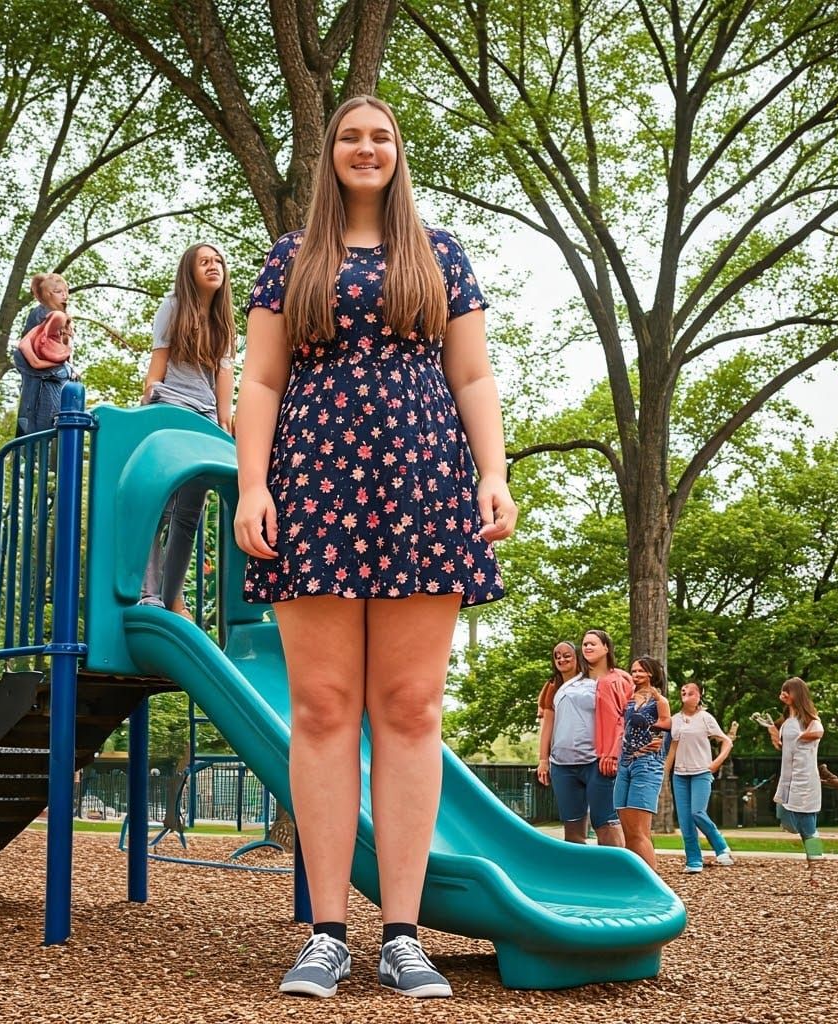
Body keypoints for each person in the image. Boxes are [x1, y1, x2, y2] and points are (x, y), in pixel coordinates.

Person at [233, 95, 518, 1000]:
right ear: (331, 156)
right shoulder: (292, 258)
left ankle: (402, 934)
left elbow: (471, 372)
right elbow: (262, 379)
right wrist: (251, 484)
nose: (366, 148)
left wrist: (492, 473)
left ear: (397, 154)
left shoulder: (443, 255)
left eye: (381, 137)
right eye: (351, 137)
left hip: (424, 485)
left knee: (410, 708)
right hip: (312, 483)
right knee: (320, 708)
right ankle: (325, 932)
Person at [140, 242, 236, 617]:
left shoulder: (223, 320)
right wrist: (149, 404)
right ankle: (148, 592)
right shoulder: (173, 307)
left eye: (218, 261)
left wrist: (224, 427)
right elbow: (157, 363)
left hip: (204, 417)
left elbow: (224, 379)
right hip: (173, 407)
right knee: (161, 507)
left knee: (190, 513)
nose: (214, 266)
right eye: (204, 262)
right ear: (189, 271)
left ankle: (171, 595)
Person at [537, 630, 631, 847]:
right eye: (557, 656)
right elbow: (548, 725)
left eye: (567, 655)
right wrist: (543, 759)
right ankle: (580, 877)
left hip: (595, 761)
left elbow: (626, 715)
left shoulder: (609, 680)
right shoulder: (557, 686)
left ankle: (616, 874)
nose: (561, 659)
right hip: (562, 765)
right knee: (572, 829)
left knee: (605, 823)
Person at [665, 681, 734, 873]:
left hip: (701, 773)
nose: (685, 693)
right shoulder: (676, 719)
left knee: (697, 812)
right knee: (686, 821)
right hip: (680, 775)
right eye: (682, 691)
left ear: (698, 696)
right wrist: (665, 772)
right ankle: (694, 861)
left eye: (691, 692)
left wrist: (715, 764)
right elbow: (673, 747)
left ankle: (720, 846)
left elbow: (727, 742)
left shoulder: (706, 718)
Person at [614, 656, 671, 868]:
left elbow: (665, 727)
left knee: (639, 831)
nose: (636, 675)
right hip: (625, 763)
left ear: (651, 674)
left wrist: (652, 742)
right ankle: (635, 877)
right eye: (633, 671)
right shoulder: (629, 697)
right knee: (628, 831)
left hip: (646, 764)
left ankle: (653, 881)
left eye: (640, 671)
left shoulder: (659, 700)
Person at [764, 676, 824, 867]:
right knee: (783, 814)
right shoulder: (787, 720)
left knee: (807, 825)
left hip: (805, 778)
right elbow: (784, 746)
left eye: (787, 691)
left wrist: (802, 736)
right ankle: (812, 848)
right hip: (787, 778)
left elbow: (819, 731)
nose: (783, 694)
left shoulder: (809, 719)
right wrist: (773, 732)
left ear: (797, 694)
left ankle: (815, 860)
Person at [14, 272, 77, 435]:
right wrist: (40, 363)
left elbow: (64, 351)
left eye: (65, 291)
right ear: (46, 295)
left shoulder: (63, 318)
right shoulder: (43, 314)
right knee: (37, 422)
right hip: (43, 380)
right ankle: (32, 455)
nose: (64, 295)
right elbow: (26, 346)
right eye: (58, 292)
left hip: (57, 380)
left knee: (56, 421)